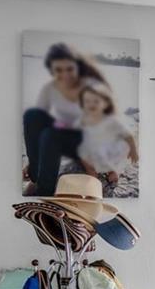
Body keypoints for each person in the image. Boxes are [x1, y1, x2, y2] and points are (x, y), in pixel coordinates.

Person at [22, 43, 105, 196]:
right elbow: (38, 124)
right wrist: (33, 161)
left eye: (69, 69)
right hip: (65, 133)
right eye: (59, 70)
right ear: (52, 70)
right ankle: (34, 174)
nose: (65, 74)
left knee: (51, 135)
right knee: (32, 115)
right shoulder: (50, 88)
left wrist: (92, 167)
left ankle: (45, 190)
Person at [76, 81, 138, 187]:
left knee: (110, 158)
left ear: (105, 104)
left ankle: (112, 171)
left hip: (109, 151)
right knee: (82, 154)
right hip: (93, 150)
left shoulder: (111, 120)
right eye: (87, 101)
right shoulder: (84, 119)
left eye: (96, 101)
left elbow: (127, 134)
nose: (91, 104)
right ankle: (91, 171)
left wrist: (133, 150)